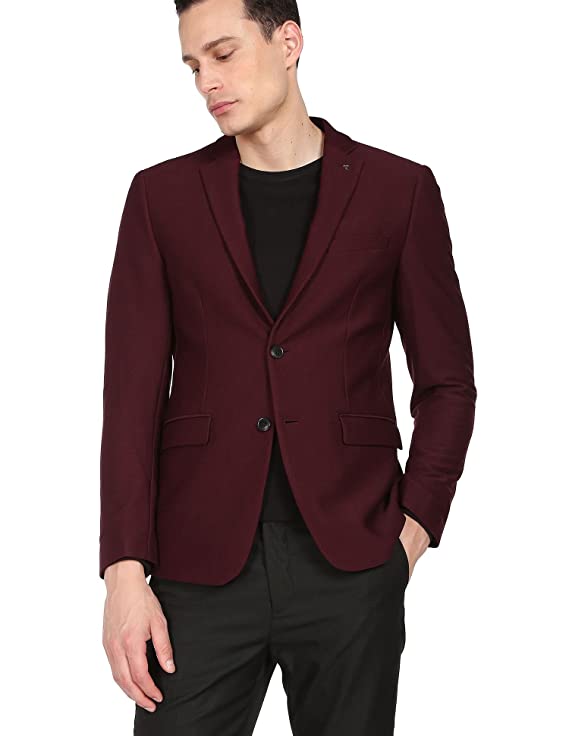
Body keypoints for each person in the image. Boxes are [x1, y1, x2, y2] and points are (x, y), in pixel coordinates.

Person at [99, 0, 477, 733]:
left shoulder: (398, 191)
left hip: (351, 560)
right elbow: (131, 398)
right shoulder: (161, 197)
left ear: (289, 42)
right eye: (192, 66)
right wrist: (123, 572)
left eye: (223, 54)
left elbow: (447, 383)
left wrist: (413, 531)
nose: (206, 82)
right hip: (197, 564)